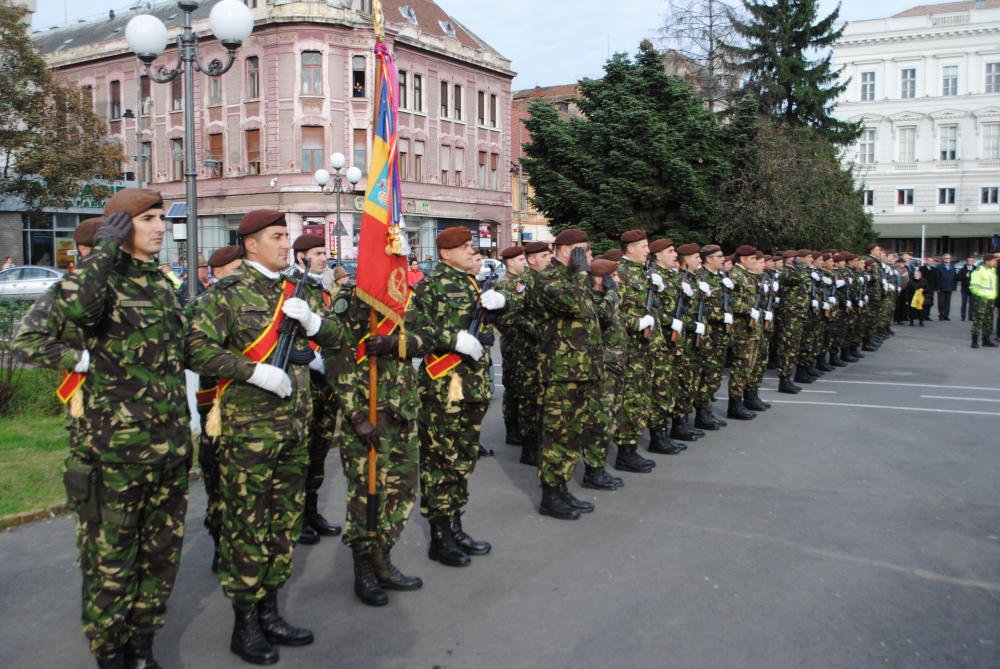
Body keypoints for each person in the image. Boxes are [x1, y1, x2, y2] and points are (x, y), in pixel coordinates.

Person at [29, 189, 188, 668]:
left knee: (160, 557)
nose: (161, 227)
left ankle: (142, 645)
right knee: (111, 563)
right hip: (113, 453)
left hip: (168, 448)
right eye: (150, 220)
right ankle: (109, 652)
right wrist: (77, 359)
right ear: (121, 228)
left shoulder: (161, 283)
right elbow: (35, 336)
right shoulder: (93, 281)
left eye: (162, 218)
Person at [187, 209, 346, 664]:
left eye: (286, 236)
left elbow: (337, 338)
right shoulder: (227, 294)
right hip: (249, 435)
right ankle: (245, 624)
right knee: (247, 528)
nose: (285, 244)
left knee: (283, 526)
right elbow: (194, 348)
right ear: (251, 244)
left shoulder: (298, 291)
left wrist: (316, 325)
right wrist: (250, 370)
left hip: (295, 428)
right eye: (277, 237)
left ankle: (271, 611)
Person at [405, 226, 504, 567]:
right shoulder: (430, 285)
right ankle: (439, 534)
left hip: (473, 384)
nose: (470, 251)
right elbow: (412, 327)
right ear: (445, 254)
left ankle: (456, 524)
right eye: (463, 248)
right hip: (444, 385)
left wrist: (499, 308)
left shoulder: (471, 282)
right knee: (440, 462)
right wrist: (453, 339)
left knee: (463, 458)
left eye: (470, 246)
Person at [323, 276, 423, 606]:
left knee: (403, 490)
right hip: (368, 415)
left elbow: (429, 338)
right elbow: (337, 356)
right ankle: (364, 568)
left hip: (402, 410)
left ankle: (384, 558)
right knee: (367, 497)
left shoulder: (401, 290)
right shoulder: (353, 295)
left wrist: (397, 345)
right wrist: (354, 416)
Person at [530, 228, 605, 519]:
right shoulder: (548, 279)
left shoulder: (576, 279)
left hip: (583, 370)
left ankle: (562, 487)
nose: (587, 256)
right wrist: (581, 273)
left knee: (574, 434)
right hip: (560, 372)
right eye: (581, 250)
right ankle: (550, 495)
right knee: (556, 434)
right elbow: (572, 304)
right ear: (563, 250)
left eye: (587, 250)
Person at [191, 245, 243, 574]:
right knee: (216, 479)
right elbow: (199, 353)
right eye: (237, 268)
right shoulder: (207, 304)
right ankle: (219, 539)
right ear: (218, 271)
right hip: (216, 406)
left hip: (245, 406)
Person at [969, 253, 998, 348]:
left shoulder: (993, 270)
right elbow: (973, 286)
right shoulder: (979, 271)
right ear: (987, 261)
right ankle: (974, 340)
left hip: (991, 299)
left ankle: (986, 339)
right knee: (978, 319)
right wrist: (982, 294)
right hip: (981, 298)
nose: (995, 262)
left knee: (989, 320)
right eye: (994, 260)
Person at [936, 254, 956, 320]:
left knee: (948, 302)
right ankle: (941, 315)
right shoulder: (939, 267)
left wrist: (954, 287)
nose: (948, 259)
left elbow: (954, 278)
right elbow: (937, 278)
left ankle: (946, 315)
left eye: (949, 258)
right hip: (941, 287)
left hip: (949, 287)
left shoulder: (952, 267)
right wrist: (937, 288)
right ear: (943, 259)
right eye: (946, 258)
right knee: (941, 302)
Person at [957, 256, 977, 321]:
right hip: (964, 289)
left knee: (972, 304)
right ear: (967, 261)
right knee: (964, 303)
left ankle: (971, 316)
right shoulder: (963, 269)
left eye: (972, 261)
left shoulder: (975, 268)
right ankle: (963, 317)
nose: (970, 262)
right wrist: (965, 276)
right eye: (969, 260)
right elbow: (958, 278)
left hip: (973, 289)